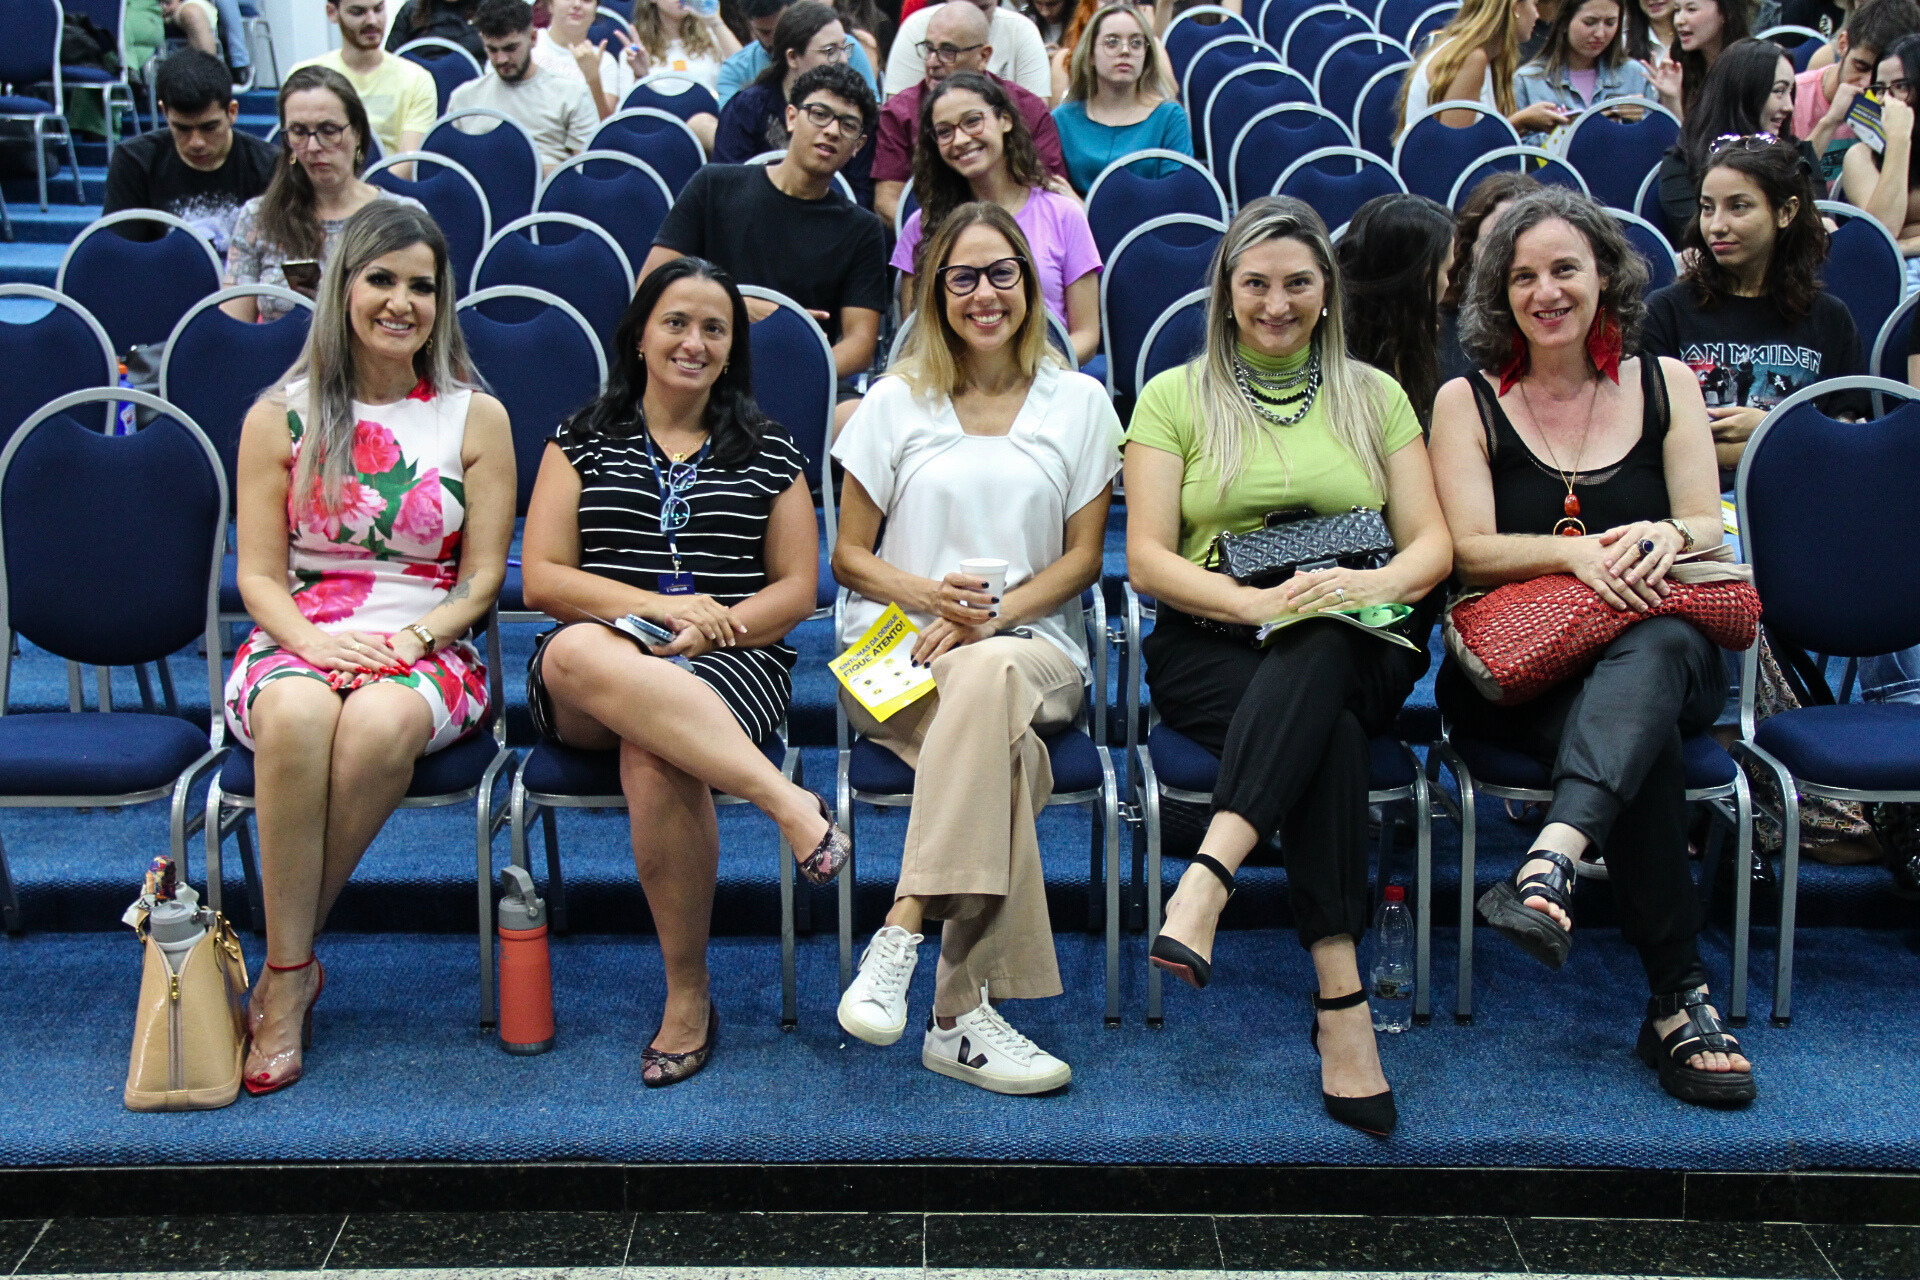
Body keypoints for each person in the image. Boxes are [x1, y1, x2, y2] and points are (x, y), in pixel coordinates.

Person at [1125, 196, 1453, 1138]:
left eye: (1298, 283)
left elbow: (1431, 544)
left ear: (1328, 290)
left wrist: (1360, 587)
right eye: (1257, 284)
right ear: (1226, 292)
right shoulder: (1174, 396)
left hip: (1362, 631)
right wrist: (1256, 603)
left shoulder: (1374, 394)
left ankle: (1207, 876)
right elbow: (1147, 559)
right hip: (1214, 640)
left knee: (1323, 639)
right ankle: (1343, 1006)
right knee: (1330, 734)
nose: (1277, 303)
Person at [1427, 184, 1755, 1108]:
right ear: (1499, 294)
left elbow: (1705, 523)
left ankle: (1554, 855)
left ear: (1605, 275)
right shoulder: (1467, 400)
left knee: (1657, 641)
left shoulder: (1666, 383)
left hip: (1665, 652)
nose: (1547, 292)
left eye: (1565, 269)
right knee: (1641, 740)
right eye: (1523, 277)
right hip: (1522, 672)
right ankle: (1679, 1003)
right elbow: (1469, 552)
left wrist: (1666, 536)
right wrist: (1583, 553)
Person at [521, 256, 847, 1089]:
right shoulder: (580, 436)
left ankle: (688, 993)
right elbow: (544, 579)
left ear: (733, 348)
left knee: (655, 752)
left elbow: (796, 590)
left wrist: (715, 627)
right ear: (639, 336)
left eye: (713, 328)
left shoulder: (770, 449)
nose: (693, 342)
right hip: (596, 662)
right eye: (676, 322)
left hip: (730, 660)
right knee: (575, 650)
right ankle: (787, 802)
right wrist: (660, 609)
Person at [830, 201, 1120, 1095]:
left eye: (1002, 273)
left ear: (1031, 285)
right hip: (896, 650)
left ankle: (902, 927)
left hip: (1033, 645)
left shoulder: (1080, 402)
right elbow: (847, 556)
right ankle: (957, 1019)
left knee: (989, 670)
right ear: (934, 291)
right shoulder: (893, 401)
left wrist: (991, 618)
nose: (984, 293)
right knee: (1009, 758)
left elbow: (1082, 561)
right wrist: (930, 597)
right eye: (962, 277)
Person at [228, 201, 515, 1097]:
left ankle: (283, 970)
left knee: (381, 724)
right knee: (296, 712)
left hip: (432, 635)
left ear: (441, 301)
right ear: (343, 289)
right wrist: (315, 643)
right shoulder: (279, 416)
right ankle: (292, 969)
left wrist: (412, 638)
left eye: (421, 286)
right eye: (381, 280)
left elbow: (482, 579)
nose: (401, 302)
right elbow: (258, 577)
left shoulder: (476, 416)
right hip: (300, 629)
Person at [645, 64, 887, 433]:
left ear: (859, 145)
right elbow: (651, 287)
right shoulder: (714, 185)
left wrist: (797, 366)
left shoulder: (862, 229)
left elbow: (860, 343)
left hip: (802, 374)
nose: (832, 130)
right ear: (791, 117)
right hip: (705, 360)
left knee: (862, 423)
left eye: (848, 124)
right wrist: (737, 306)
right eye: (819, 114)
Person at [1642, 135, 1864, 480]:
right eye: (1707, 208)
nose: (1717, 225)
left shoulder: (1830, 318)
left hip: (1799, 495)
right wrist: (1785, 439)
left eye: (1738, 207)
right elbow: (1648, 445)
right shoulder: (1665, 312)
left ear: (1786, 212)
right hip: (1695, 498)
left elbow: (1845, 441)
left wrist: (1770, 426)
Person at [895, 73, 1101, 365]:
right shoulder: (922, 227)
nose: (960, 139)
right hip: (955, 383)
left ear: (1005, 120)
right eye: (944, 132)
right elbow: (917, 340)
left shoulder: (1064, 215)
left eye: (972, 121)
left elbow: (1086, 335)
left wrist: (1027, 371)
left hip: (1046, 373)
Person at [222, 68, 428, 323]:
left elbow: (420, 319)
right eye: (298, 132)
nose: (313, 146)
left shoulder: (403, 217)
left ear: (357, 133)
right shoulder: (258, 217)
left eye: (329, 130)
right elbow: (234, 327)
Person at [874, 2, 1069, 227]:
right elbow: (887, 202)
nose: (932, 62)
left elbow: (1050, 191)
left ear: (984, 56)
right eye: (928, 49)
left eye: (948, 51)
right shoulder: (901, 112)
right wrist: (950, 238)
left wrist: (1000, 239)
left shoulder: (1026, 108)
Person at [103, 50, 276, 257]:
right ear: (164, 112)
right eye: (182, 128)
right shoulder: (135, 161)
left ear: (232, 112)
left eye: (209, 127)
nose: (197, 143)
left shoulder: (270, 164)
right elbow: (121, 254)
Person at [713, 0, 877, 207]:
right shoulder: (747, 108)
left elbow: (861, 194)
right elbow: (725, 185)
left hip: (833, 219)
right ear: (792, 57)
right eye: (830, 50)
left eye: (844, 49)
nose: (843, 60)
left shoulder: (854, 117)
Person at [1653, 38, 1799, 242]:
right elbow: (1704, 239)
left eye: (1790, 92)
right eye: (1778, 91)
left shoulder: (1797, 155)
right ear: (1744, 92)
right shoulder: (1683, 163)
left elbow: (1812, 229)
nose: (1789, 106)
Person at [1338, 193, 1457, 429]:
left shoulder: (1418, 339)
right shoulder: (1342, 365)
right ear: (1420, 277)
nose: (1448, 283)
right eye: (1446, 271)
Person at [1049, 2, 1190, 195]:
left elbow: (1178, 196)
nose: (1125, 51)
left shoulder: (1169, 117)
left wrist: (1084, 207)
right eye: (1112, 42)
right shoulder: (1062, 119)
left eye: (1136, 43)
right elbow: (1052, 194)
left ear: (1146, 56)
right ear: (1090, 55)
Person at [448, 0, 598, 174]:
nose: (501, 59)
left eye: (510, 48)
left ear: (533, 38)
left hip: (547, 188)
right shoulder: (464, 98)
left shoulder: (572, 94)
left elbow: (586, 173)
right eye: (492, 50)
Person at [1394, 0, 1570, 139]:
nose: (1537, 15)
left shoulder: (1483, 56)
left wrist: (1523, 123)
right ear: (1516, 7)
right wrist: (1520, 121)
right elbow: (1457, 149)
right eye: (1534, 4)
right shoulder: (1471, 58)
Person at [289, 0, 438, 163]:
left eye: (378, 9)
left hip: (388, 178)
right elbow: (296, 154)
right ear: (332, 13)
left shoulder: (416, 78)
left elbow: (408, 162)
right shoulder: (306, 77)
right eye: (358, 12)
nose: (372, 21)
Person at [1792, 0, 1920, 181]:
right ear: (1843, 44)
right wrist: (1829, 122)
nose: (1868, 84)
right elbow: (1781, 184)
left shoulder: (1902, 104)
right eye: (1861, 67)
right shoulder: (1793, 95)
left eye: (1881, 76)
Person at [1439, 171, 1542, 382]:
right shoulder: (1438, 328)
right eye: (1494, 242)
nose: (1507, 256)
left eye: (1521, 240)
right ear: (1469, 248)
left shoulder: (1559, 321)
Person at [1512, 0, 1659, 145]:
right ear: (1564, 22)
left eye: (1610, 23)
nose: (1600, 33)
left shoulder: (1635, 74)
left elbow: (1655, 143)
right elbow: (1517, 149)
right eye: (1589, 22)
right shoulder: (1527, 80)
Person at [626, 0, 745, 150]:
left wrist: (715, 21)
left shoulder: (713, 39)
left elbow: (747, 75)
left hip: (713, 130)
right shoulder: (635, 52)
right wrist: (640, 75)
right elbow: (627, 115)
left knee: (704, 123)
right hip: (658, 139)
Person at [717, 0, 880, 105]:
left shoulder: (845, 47)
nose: (777, 39)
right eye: (766, 32)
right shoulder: (736, 69)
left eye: (782, 26)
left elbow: (872, 114)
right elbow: (731, 129)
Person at [1853, 33, 1920, 283]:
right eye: (1880, 89)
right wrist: (1899, 141)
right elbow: (1882, 233)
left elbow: (1894, 244)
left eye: (1901, 86)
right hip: (1894, 276)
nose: (1886, 101)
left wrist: (1906, 245)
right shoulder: (1861, 156)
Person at [885, 0, 1052, 97]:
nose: (972, 15)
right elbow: (899, 112)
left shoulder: (1022, 30)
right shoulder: (915, 28)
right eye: (930, 49)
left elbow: (1035, 118)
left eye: (983, 7)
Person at [534, 0, 648, 120]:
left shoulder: (605, 61)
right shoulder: (530, 42)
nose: (577, 5)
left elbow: (605, 123)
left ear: (595, 11)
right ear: (550, 5)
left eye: (587, 0)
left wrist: (593, 78)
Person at [1654, 0, 1751, 115]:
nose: (1678, 21)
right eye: (1677, 10)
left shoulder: (1751, 66)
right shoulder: (1676, 63)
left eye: (1691, 9)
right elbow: (1681, 127)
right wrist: (1671, 100)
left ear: (1726, 13)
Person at [387, 0, 486, 61]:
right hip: (418, 86)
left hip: (474, 85)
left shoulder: (487, 10)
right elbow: (389, 59)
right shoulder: (411, 10)